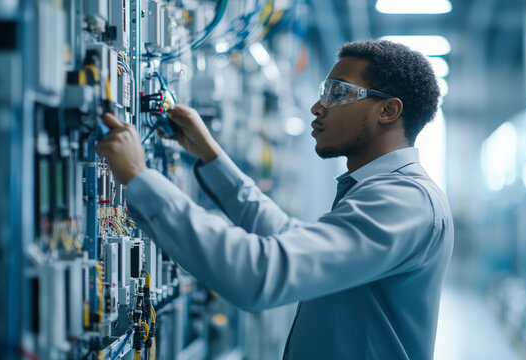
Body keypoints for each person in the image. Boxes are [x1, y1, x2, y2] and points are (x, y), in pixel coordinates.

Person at [96, 40, 453, 359]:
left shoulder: (405, 201)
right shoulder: (380, 191)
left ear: (388, 111)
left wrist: (141, 179)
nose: (318, 107)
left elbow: (260, 273)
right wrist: (210, 155)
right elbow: (285, 236)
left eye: (337, 93)